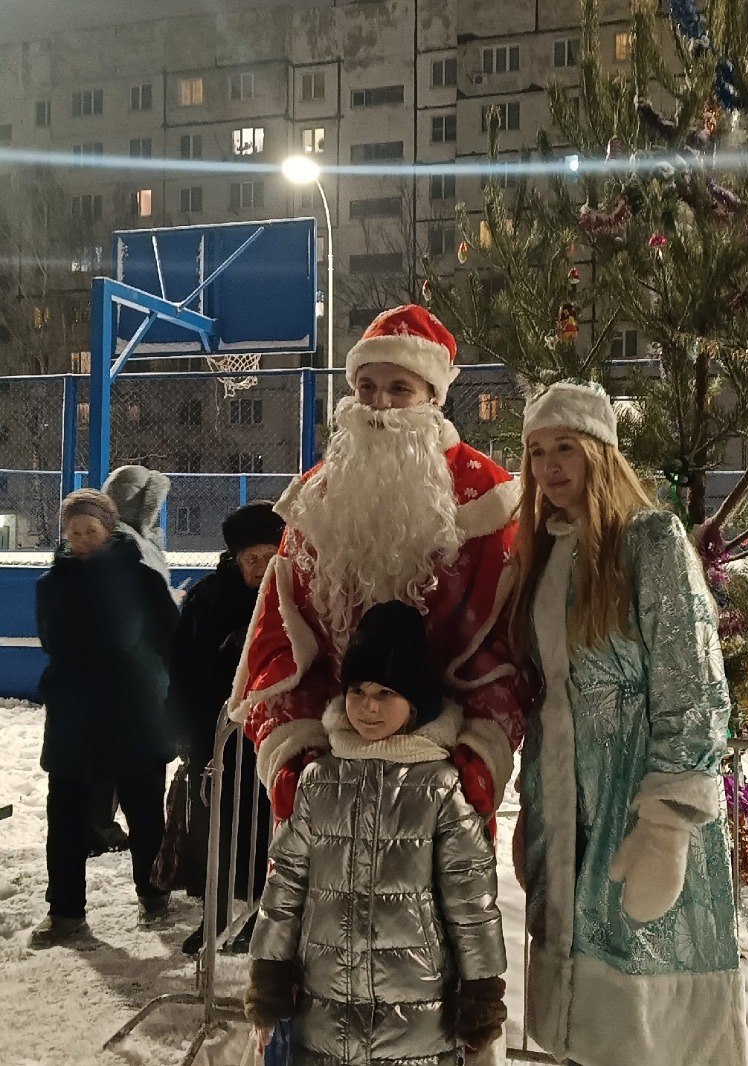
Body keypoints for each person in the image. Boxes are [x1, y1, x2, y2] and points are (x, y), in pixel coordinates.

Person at [511, 380, 748, 1065]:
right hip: (566, 805)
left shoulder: (651, 539)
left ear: (599, 453)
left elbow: (694, 681)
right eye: (535, 452)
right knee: (579, 1018)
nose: (550, 466)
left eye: (565, 448)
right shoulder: (543, 552)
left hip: (635, 802)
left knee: (646, 1017)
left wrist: (668, 823)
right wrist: (538, 805)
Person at [229, 304, 529, 828]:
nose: (379, 406)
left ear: (433, 399)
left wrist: (479, 758)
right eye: (366, 387)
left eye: (398, 389)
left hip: (441, 772)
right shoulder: (318, 497)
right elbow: (279, 638)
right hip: (330, 764)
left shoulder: (486, 497)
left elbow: (505, 645)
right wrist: (292, 754)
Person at [243, 601, 507, 1065]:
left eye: (386, 693)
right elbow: (286, 884)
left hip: (416, 1018)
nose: (367, 706)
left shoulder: (439, 786)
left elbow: (471, 899)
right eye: (358, 690)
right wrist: (268, 972)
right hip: (325, 1011)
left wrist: (482, 990)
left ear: (416, 702)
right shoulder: (320, 779)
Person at [29, 488, 180, 949]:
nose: (80, 538)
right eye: (73, 531)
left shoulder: (140, 578)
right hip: (76, 717)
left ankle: (153, 894)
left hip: (134, 714)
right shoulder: (51, 584)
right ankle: (65, 910)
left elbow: (168, 639)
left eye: (89, 530)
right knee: (66, 816)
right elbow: (52, 642)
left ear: (108, 529)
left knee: (144, 811)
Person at [168, 501, 285, 956]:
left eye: (268, 555)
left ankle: (264, 913)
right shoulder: (208, 599)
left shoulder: (294, 594)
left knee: (271, 830)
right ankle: (212, 914)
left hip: (274, 738)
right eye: (250, 559)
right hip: (217, 741)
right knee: (215, 830)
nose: (259, 567)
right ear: (235, 559)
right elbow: (182, 668)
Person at [85, 464, 176, 857]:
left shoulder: (118, 539)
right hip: (130, 672)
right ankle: (102, 828)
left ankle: (99, 825)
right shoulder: (127, 545)